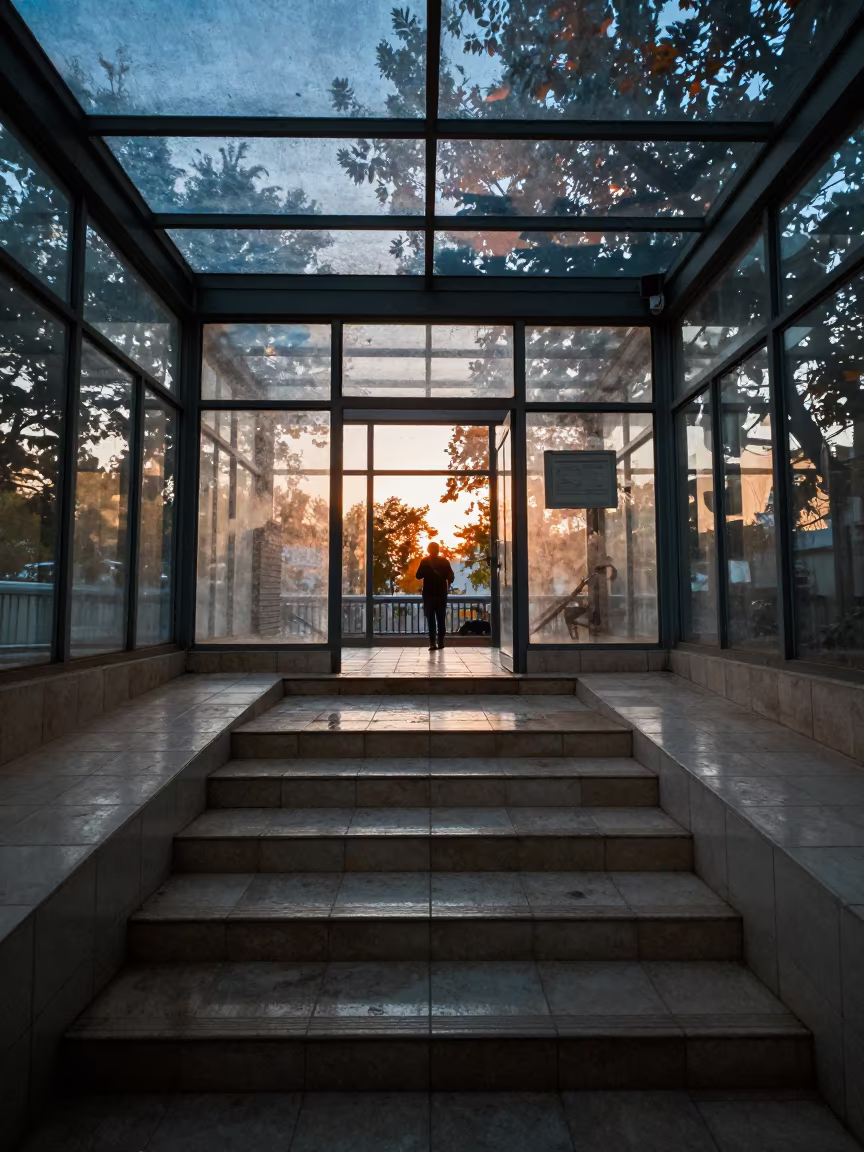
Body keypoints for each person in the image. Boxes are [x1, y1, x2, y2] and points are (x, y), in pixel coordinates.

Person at [415, 541, 454, 650]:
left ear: (428, 550)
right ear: (438, 550)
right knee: (441, 618)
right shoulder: (445, 561)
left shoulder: (425, 561)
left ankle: (432, 643)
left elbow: (418, 576)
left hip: (428, 594)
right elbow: (451, 576)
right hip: (441, 594)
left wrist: (426, 571)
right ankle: (441, 641)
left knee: (431, 619)